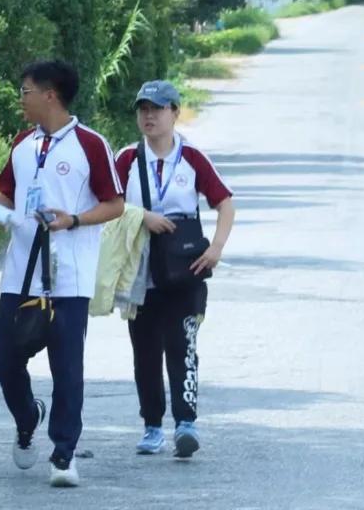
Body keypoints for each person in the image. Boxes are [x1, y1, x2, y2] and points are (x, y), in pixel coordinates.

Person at [0, 60, 124, 488]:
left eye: (25, 91)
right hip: (20, 275)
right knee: (5, 358)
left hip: (69, 277)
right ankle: (28, 418)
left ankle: (64, 454)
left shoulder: (91, 144)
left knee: (67, 368)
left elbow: (115, 203)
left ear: (50, 94)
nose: (20, 99)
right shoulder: (22, 145)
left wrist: (74, 220)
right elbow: (2, 194)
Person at [114, 81, 234, 459]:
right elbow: (106, 204)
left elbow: (224, 202)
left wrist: (215, 248)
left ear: (175, 113)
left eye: (158, 108)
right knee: (145, 352)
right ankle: (151, 426)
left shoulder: (193, 158)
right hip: (141, 272)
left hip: (184, 272)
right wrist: (141, 216)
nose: (149, 116)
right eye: (143, 109)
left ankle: (186, 423)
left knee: (183, 348)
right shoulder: (127, 159)